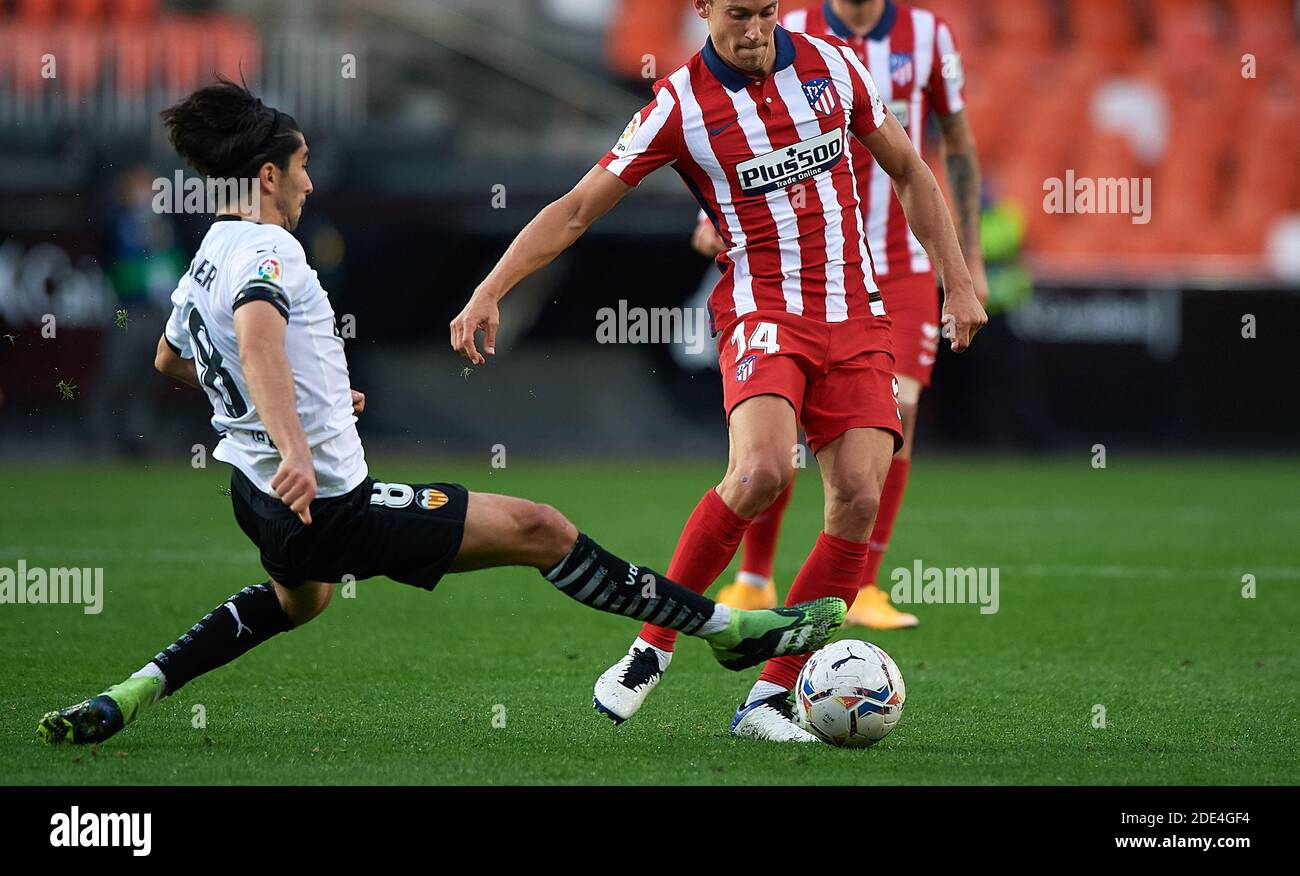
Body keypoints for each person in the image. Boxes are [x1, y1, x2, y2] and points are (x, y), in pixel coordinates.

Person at [36, 79, 845, 747]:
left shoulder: (212, 246)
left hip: (258, 500)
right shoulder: (271, 251)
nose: (312, 182)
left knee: (298, 601)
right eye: (304, 165)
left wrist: (301, 407)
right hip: (324, 503)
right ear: (271, 175)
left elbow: (173, 357)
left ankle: (129, 694)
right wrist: (294, 443)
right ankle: (731, 630)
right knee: (542, 529)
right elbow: (254, 338)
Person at [451, 0, 985, 741]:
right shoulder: (677, 106)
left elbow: (911, 169)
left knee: (860, 499)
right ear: (701, 7)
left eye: (769, 11)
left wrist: (957, 279)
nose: (758, 31)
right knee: (764, 470)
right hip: (763, 310)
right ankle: (651, 645)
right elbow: (575, 209)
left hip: (856, 312)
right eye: (739, 14)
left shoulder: (835, 68)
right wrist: (491, 289)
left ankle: (769, 697)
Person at [710, 0, 989, 630]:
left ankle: (862, 583)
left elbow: (954, 147)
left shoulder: (930, 36)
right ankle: (756, 579)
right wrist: (710, 225)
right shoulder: (785, 32)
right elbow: (729, 137)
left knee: (896, 409)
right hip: (801, 260)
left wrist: (968, 265)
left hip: (896, 262)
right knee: (786, 427)